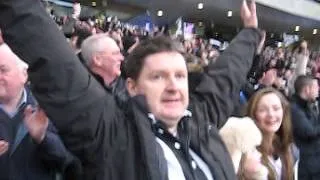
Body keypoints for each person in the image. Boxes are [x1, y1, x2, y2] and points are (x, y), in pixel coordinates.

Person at [0, 0, 262, 179]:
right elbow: (54, 59)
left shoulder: (201, 121)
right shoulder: (113, 132)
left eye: (180, 76)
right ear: (132, 86)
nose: (173, 86)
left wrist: (250, 33)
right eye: (158, 77)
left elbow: (226, 75)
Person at [0, 43, 79, 180]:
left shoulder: (46, 108)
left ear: (24, 75)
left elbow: (67, 162)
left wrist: (42, 138)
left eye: (3, 70)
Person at [246, 88, 294, 180]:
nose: (271, 114)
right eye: (262, 110)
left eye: (276, 108)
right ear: (253, 114)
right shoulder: (248, 154)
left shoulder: (288, 148)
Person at [290, 75, 320, 180]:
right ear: (307, 89)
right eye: (316, 87)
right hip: (307, 164)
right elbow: (309, 132)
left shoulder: (308, 105)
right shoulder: (294, 108)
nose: (318, 90)